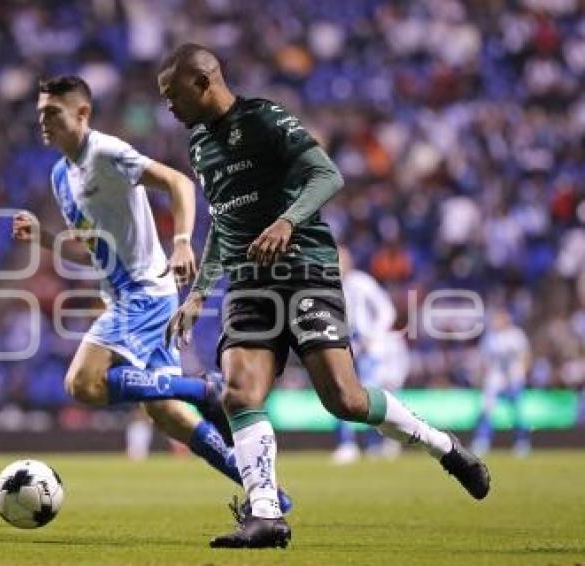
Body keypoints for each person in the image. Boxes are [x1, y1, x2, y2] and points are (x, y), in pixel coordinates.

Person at [158, 44, 490, 549]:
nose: (168, 107)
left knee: (346, 400)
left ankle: (444, 447)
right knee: (238, 392)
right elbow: (223, 224)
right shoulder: (200, 146)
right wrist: (200, 292)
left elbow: (328, 174)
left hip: (305, 271)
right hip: (250, 285)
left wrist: (287, 221)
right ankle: (265, 514)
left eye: (173, 94)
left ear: (204, 81)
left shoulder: (264, 118)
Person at [11, 75, 292, 512]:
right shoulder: (60, 177)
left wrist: (182, 240)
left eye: (53, 113)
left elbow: (179, 183)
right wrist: (43, 238)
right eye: (40, 114)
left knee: (82, 383)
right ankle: (266, 492)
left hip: (143, 291)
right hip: (124, 295)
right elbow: (91, 249)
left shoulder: (105, 152)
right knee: (165, 414)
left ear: (82, 113)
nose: (43, 122)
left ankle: (204, 390)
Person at [332, 245, 410, 464]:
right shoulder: (327, 286)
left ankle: (376, 444)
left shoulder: (360, 282)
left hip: (367, 349)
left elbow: (387, 310)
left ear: (348, 262)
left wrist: (372, 336)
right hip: (343, 347)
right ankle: (347, 444)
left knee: (369, 396)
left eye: (339, 260)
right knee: (338, 392)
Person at [471, 308, 532, 457]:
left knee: (517, 412)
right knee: (487, 410)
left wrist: (523, 373)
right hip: (495, 378)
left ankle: (522, 442)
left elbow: (526, 355)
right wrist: (480, 378)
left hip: (513, 377)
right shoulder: (490, 337)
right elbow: (483, 360)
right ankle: (482, 441)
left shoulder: (516, 335)